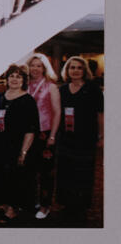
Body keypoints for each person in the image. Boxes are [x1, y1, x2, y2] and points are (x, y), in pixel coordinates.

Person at [0, 64, 39, 223]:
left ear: (24, 80)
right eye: (12, 76)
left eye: (18, 77)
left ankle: (12, 209)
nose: (14, 79)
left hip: (18, 146)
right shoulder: (1, 97)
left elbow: (31, 130)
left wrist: (23, 152)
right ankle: (4, 204)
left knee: (16, 178)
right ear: (7, 78)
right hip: (0, 145)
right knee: (1, 176)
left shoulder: (28, 100)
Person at [57, 56, 103, 224]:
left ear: (84, 71)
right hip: (66, 138)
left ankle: (81, 208)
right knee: (66, 172)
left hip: (86, 138)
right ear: (67, 71)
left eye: (79, 68)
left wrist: (101, 135)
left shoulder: (93, 89)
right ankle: (67, 205)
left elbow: (100, 114)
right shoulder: (62, 89)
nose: (75, 71)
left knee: (83, 174)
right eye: (72, 68)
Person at [26, 53, 61, 220]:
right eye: (32, 65)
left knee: (46, 172)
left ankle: (45, 205)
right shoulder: (25, 85)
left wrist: (52, 136)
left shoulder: (50, 86)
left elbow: (57, 112)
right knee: (29, 169)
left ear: (44, 68)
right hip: (28, 134)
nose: (35, 68)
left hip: (45, 133)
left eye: (39, 65)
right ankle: (32, 201)